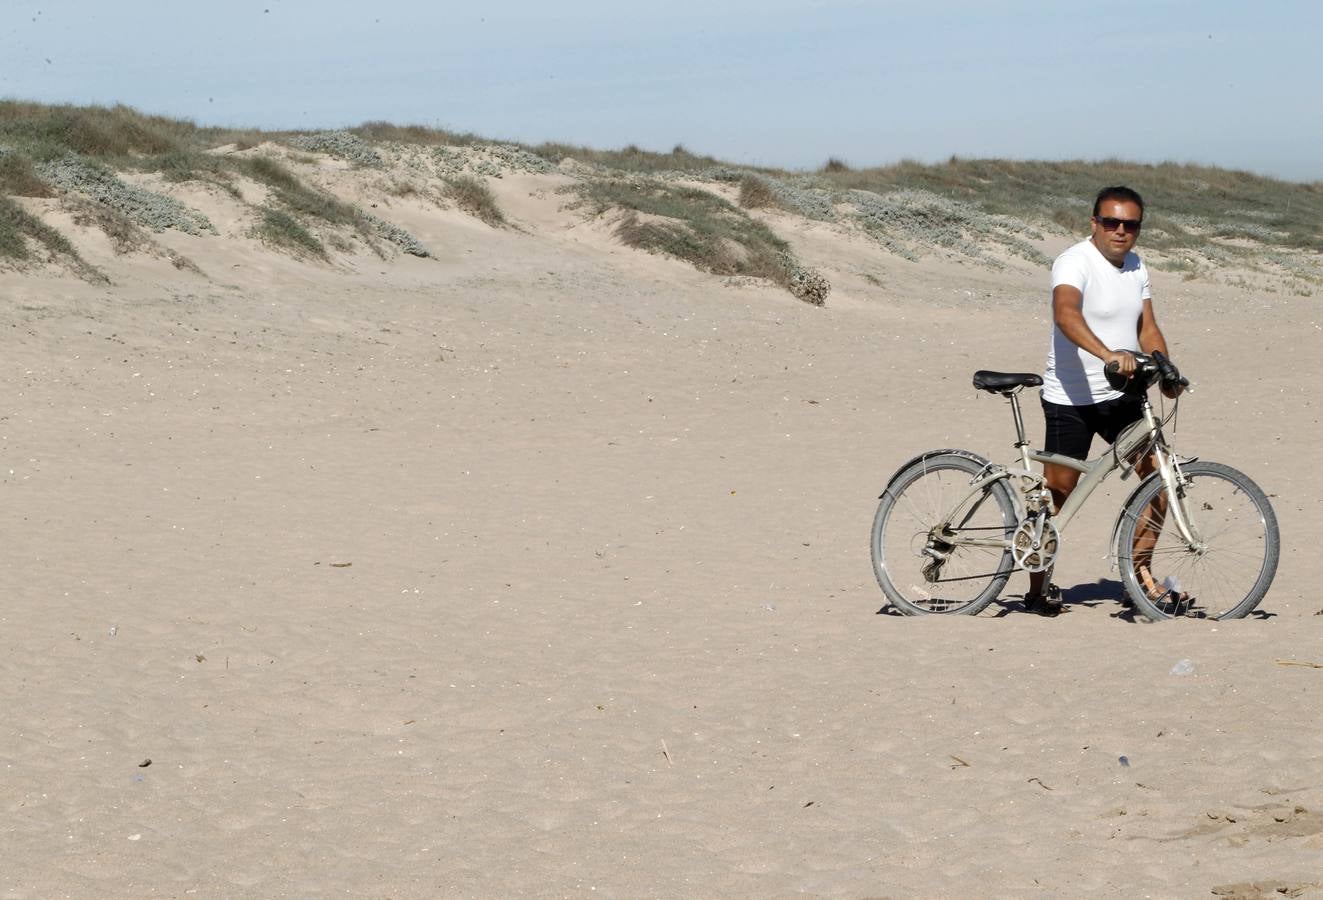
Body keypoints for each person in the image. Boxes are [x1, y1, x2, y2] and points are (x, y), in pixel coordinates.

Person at [1024, 186, 1181, 615]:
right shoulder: (1074, 261)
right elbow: (1066, 314)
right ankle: (1037, 586)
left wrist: (1164, 367)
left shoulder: (1136, 266)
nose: (1120, 231)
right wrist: (1108, 354)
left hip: (1123, 395)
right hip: (1070, 398)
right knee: (1058, 494)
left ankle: (1141, 578)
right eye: (1111, 222)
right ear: (1093, 223)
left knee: (1159, 479)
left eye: (1130, 224)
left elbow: (1146, 325)